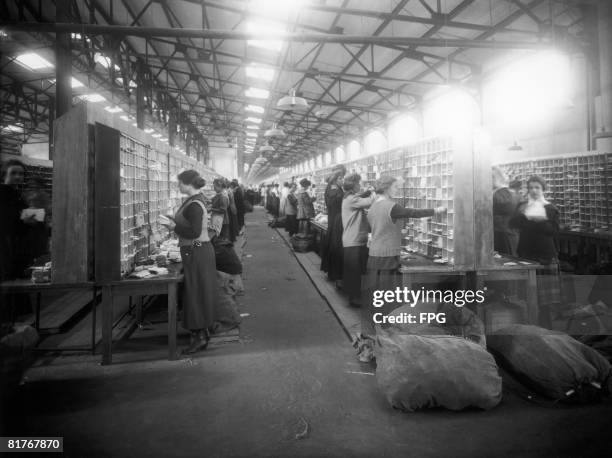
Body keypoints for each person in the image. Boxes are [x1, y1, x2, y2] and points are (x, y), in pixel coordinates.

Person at [360, 175, 446, 361]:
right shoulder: (392, 207)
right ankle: (387, 344)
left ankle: (374, 341)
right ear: (387, 187)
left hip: (374, 256)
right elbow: (412, 212)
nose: (398, 190)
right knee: (388, 299)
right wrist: (436, 210)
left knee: (377, 299)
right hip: (387, 257)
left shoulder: (373, 206)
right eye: (396, 187)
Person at [160, 170, 218, 354]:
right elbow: (191, 225)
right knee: (198, 291)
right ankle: (202, 331)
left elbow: (193, 232)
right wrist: (174, 220)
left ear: (187, 183)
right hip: (196, 250)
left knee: (195, 293)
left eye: (179, 183)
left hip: (196, 250)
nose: (178, 186)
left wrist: (173, 226)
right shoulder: (194, 200)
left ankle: (199, 337)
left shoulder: (194, 204)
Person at [510, 175, 561, 327]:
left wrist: (541, 219)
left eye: (537, 187)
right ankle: (530, 326)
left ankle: (547, 328)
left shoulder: (550, 208)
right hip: (526, 254)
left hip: (545, 255)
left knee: (546, 301)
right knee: (528, 296)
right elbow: (512, 223)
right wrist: (524, 214)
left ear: (543, 189)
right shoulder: (523, 206)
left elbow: (553, 231)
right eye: (531, 187)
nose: (533, 190)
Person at [341, 173, 376, 307]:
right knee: (355, 271)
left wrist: (367, 191)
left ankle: (354, 296)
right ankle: (354, 299)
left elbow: (360, 196)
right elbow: (369, 202)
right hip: (353, 239)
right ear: (353, 185)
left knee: (355, 270)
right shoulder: (352, 199)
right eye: (359, 184)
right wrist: (374, 192)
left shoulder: (349, 197)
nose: (360, 186)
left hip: (353, 239)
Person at [0, 160, 30, 280]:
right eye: (13, 173)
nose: (18, 176)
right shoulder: (3, 194)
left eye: (21, 173)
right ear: (4, 175)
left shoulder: (17, 194)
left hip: (15, 247)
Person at [321, 165, 346, 285]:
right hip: (336, 220)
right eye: (342, 178)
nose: (343, 181)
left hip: (334, 219)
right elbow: (333, 202)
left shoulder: (333, 188)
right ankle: (334, 273)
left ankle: (332, 272)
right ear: (337, 178)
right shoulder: (334, 189)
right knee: (335, 246)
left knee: (333, 245)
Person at [492, 166, 521, 257]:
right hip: (506, 234)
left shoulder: (502, 194)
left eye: (491, 177)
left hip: (503, 235)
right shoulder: (507, 193)